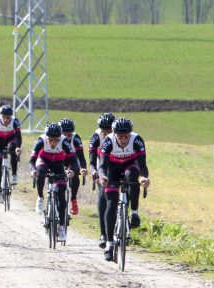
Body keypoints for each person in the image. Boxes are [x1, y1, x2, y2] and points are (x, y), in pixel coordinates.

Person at [100, 117, 150, 262]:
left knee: (132, 177)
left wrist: (144, 178)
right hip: (112, 169)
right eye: (119, 136)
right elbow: (102, 165)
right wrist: (103, 176)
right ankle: (109, 244)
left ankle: (134, 213)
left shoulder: (137, 140)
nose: (123, 139)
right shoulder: (108, 141)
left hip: (130, 165)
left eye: (125, 136)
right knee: (111, 202)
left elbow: (143, 165)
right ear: (114, 134)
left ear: (130, 134)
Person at [29, 122, 78, 243]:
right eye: (50, 140)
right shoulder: (40, 140)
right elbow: (32, 160)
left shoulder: (64, 141)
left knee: (61, 192)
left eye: (56, 140)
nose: (53, 143)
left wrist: (71, 170)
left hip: (58, 165)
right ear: (46, 137)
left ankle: (61, 226)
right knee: (40, 171)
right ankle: (40, 197)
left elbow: (73, 161)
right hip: (43, 161)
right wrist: (32, 170)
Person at [89, 112, 115, 249]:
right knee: (102, 195)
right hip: (102, 167)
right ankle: (103, 233)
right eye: (104, 132)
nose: (106, 134)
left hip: (118, 166)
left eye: (109, 131)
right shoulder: (96, 136)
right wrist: (93, 171)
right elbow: (92, 160)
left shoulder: (120, 135)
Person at [0, 105, 22, 199]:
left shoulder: (15, 121)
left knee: (12, 149)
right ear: (0, 116)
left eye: (8, 117)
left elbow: (18, 136)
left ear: (11, 117)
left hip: (11, 139)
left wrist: (18, 147)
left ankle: (14, 174)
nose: (6, 120)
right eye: (4, 117)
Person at [59, 118, 88, 216]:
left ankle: (73, 200)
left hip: (72, 160)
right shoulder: (55, 137)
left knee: (75, 174)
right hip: (59, 159)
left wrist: (83, 168)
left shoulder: (75, 138)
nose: (67, 136)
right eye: (64, 134)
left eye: (69, 134)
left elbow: (81, 156)